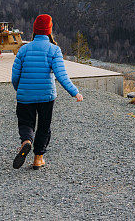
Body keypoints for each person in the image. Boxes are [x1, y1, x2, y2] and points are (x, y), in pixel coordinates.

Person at [11, 14, 83, 169]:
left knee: (25, 123)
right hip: (46, 96)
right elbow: (61, 75)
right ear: (49, 31)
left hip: (25, 95)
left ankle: (26, 142)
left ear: (34, 31)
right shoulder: (54, 50)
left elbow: (15, 76)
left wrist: (19, 89)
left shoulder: (23, 50)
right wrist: (74, 92)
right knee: (44, 126)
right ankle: (38, 158)